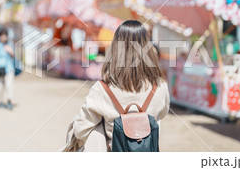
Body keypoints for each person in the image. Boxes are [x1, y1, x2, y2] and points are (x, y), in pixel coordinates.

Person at [64, 20, 170, 152]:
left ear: (115, 48)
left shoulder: (102, 88)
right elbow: (163, 112)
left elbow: (81, 130)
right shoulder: (160, 86)